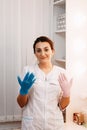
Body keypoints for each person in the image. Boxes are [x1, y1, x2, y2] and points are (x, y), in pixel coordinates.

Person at [17, 36, 72, 130]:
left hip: (54, 124)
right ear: (35, 53)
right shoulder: (28, 71)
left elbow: (62, 106)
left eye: (46, 49)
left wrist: (66, 94)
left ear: (52, 51)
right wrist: (23, 91)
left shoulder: (62, 73)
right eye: (38, 50)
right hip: (32, 124)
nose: (43, 54)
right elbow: (21, 104)